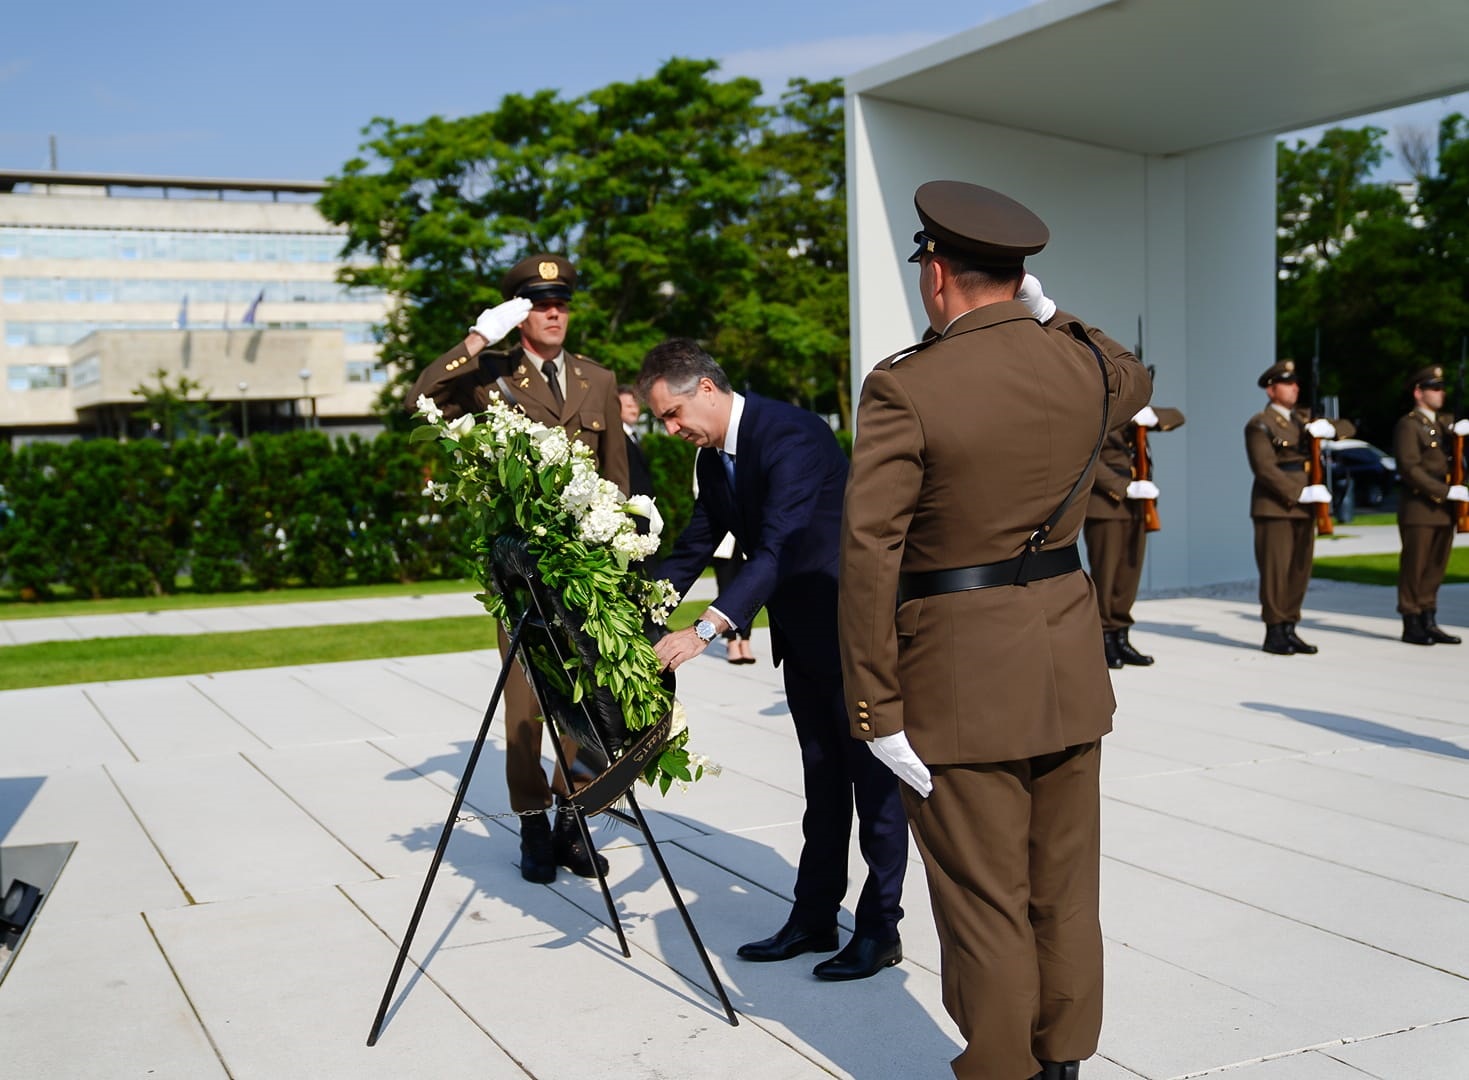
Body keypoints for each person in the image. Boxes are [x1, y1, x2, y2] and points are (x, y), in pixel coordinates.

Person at [839, 180, 1150, 1080]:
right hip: (1063, 660)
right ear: (1020, 278)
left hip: (958, 679)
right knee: (1063, 890)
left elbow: (869, 555)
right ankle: (1063, 1062)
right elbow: (1134, 369)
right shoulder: (1086, 367)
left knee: (984, 901)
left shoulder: (906, 385)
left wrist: (875, 705)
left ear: (935, 272)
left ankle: (1000, 1069)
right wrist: (1054, 317)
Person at [639, 338, 908, 983]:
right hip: (803, 638)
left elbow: (779, 548)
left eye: (673, 415)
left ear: (706, 389)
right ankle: (814, 917)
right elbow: (697, 542)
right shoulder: (713, 459)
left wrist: (704, 629)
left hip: (855, 636)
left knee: (875, 791)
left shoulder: (792, 434)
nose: (671, 431)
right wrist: (643, 611)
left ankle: (879, 929)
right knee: (822, 786)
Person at [409, 252, 628, 884]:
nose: (554, 312)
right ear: (519, 312)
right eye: (537, 303)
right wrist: (479, 339)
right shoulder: (490, 378)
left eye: (561, 302)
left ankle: (574, 819)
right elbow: (418, 399)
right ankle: (533, 822)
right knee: (526, 704)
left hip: (585, 568)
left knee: (591, 692)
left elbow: (615, 475)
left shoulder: (599, 379)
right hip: (519, 572)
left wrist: (619, 556)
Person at [1244, 360, 1351, 655]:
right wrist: (1300, 492)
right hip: (1276, 506)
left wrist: (1327, 427)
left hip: (1306, 506)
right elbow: (1265, 469)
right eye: (1287, 383)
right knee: (1277, 571)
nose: (1295, 388)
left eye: (1296, 383)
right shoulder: (1260, 423)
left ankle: (1290, 626)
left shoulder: (1304, 420)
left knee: (1299, 570)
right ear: (1270, 389)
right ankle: (1274, 631)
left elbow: (1349, 426)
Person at [1083, 401, 1185, 668]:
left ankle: (1121, 635)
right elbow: (1088, 459)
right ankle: (1103, 640)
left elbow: (1177, 416)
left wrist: (1149, 416)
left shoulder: (1134, 413)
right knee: (1106, 576)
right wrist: (1124, 487)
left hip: (1137, 507)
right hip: (1107, 504)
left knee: (1129, 575)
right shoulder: (1096, 410)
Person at [1393, 364, 1469, 644]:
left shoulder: (1444, 424)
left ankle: (1429, 617)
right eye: (1434, 388)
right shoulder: (1409, 425)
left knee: (1436, 565)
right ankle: (1411, 620)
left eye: (1442, 388)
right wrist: (1446, 491)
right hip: (1420, 507)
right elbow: (1410, 468)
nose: (1441, 393)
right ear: (1418, 392)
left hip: (1443, 510)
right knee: (1416, 565)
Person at [619, 385, 656, 500]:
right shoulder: (618, 439)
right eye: (629, 406)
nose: (634, 410)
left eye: (636, 405)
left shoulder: (633, 436)